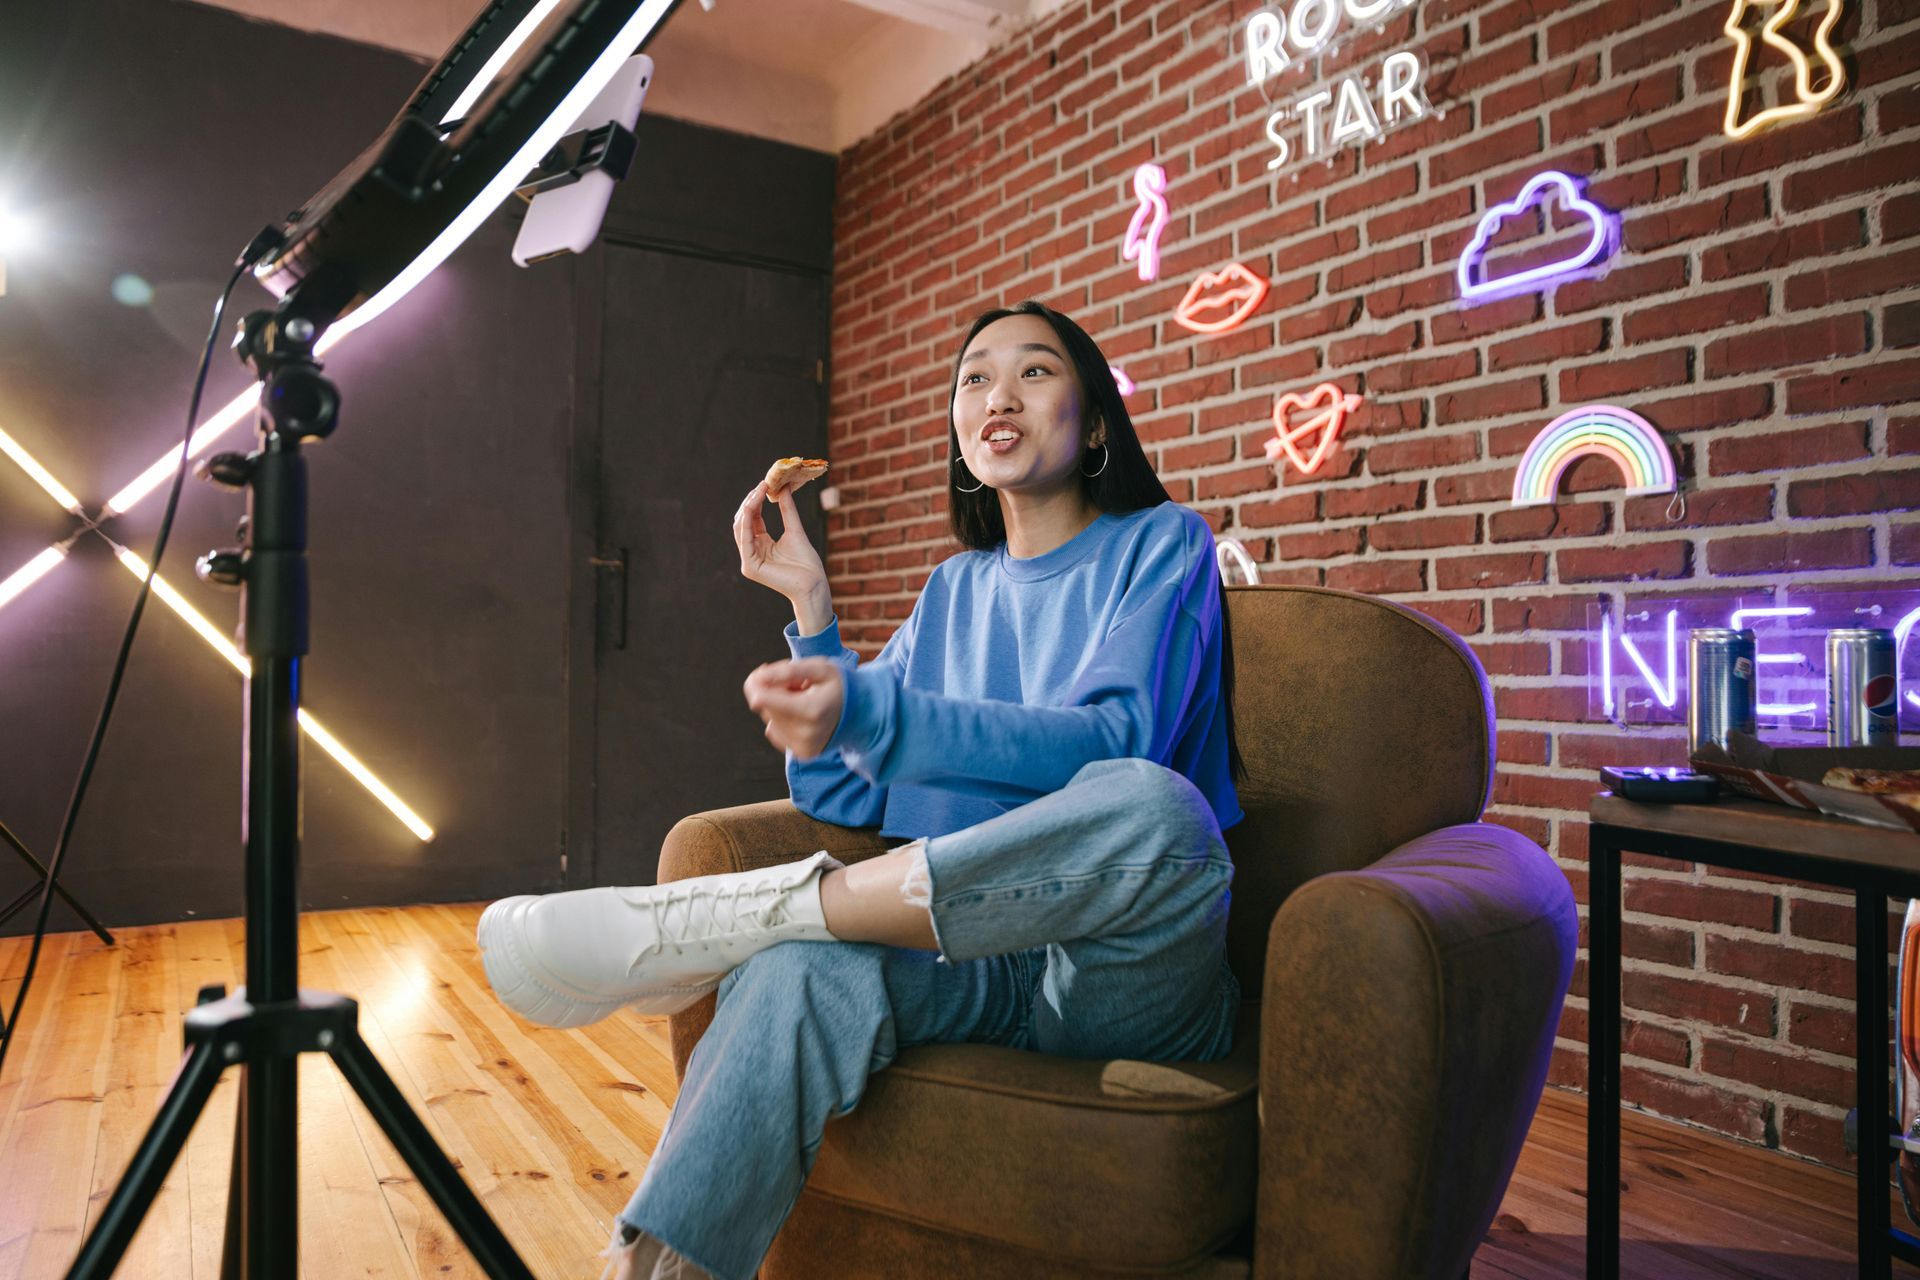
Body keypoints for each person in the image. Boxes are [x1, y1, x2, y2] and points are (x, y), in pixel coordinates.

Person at [477, 301, 1248, 1280]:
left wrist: (879, 714)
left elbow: (1118, 738)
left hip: (1121, 966)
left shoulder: (1166, 543)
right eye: (974, 378)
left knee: (1155, 806)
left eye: (1034, 371)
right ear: (961, 433)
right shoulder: (953, 590)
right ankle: (655, 1267)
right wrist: (812, 607)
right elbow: (844, 799)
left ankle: (751, 913)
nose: (998, 395)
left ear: (1096, 424)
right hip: (973, 960)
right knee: (791, 973)